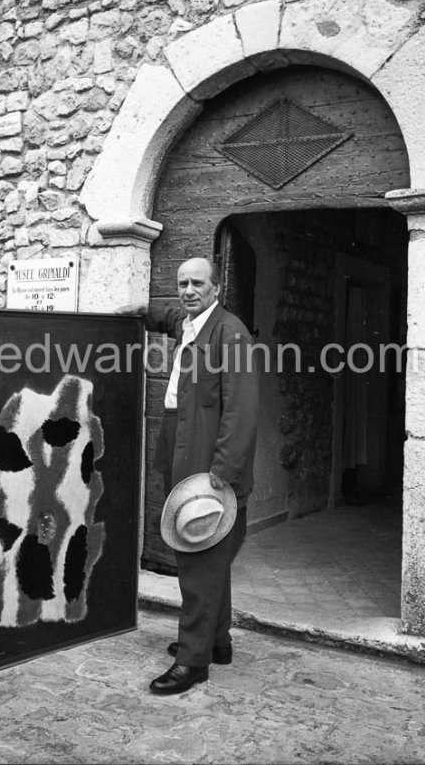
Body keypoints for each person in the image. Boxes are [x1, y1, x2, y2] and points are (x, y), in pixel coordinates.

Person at [117, 257, 259, 695]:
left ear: (217, 288)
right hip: (183, 453)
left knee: (199, 564)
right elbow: (173, 316)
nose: (188, 290)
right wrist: (139, 311)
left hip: (210, 468)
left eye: (198, 283)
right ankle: (216, 642)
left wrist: (222, 472)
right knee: (209, 558)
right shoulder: (192, 323)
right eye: (182, 283)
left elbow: (242, 411)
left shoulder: (230, 333)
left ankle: (192, 661)